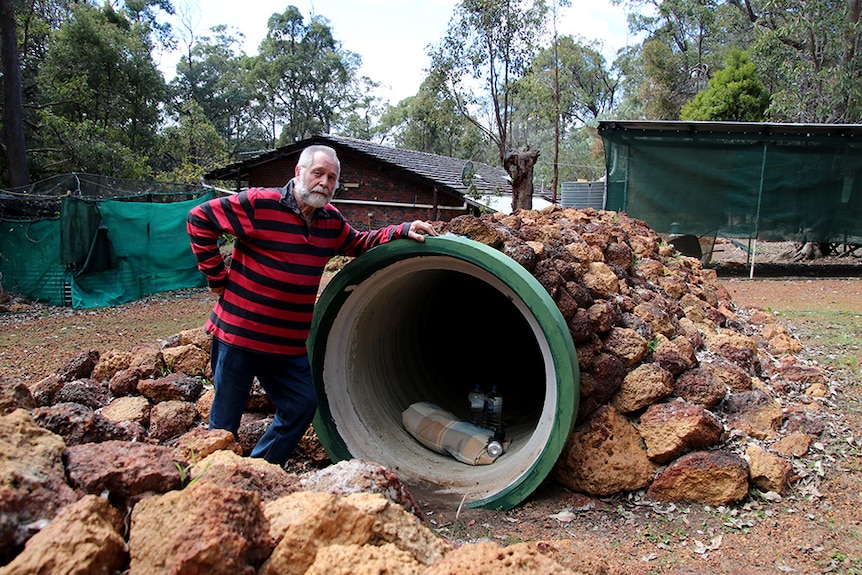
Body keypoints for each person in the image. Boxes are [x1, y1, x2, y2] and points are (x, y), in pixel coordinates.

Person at [187, 144, 437, 466]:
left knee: (301, 405)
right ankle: (212, 484)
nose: (324, 182)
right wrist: (217, 278)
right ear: (299, 173)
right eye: (318, 173)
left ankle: (261, 468)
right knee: (225, 422)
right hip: (240, 335)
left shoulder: (330, 221)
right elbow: (200, 219)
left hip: (286, 345)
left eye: (332, 178)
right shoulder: (260, 204)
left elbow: (357, 242)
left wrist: (401, 229)